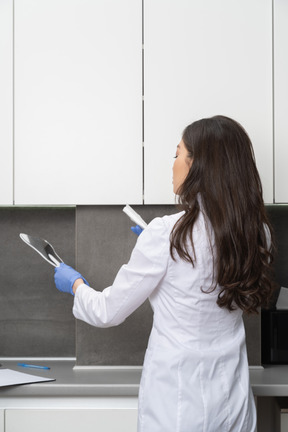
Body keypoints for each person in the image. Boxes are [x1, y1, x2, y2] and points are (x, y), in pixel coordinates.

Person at [54, 115, 275, 432]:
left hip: (178, 411)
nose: (172, 164)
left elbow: (107, 312)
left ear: (198, 164)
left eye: (177, 154)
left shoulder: (167, 235)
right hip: (235, 409)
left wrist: (74, 284)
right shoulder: (257, 234)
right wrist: (157, 246)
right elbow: (206, 263)